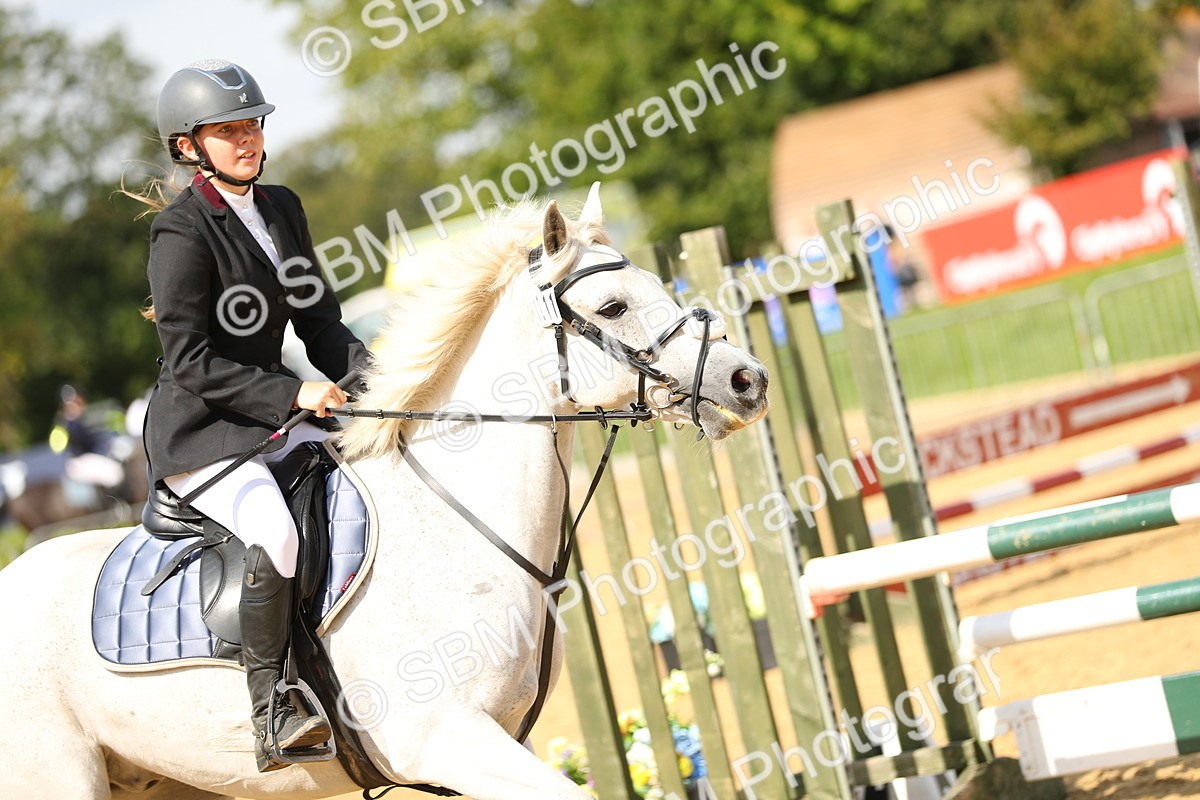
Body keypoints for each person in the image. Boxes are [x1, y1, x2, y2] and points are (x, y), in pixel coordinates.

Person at [141, 59, 371, 771]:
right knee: (274, 530)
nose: (247, 139)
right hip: (202, 430)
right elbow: (190, 362)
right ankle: (273, 707)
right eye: (228, 129)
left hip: (269, 417)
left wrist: (373, 377)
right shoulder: (182, 232)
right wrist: (291, 395)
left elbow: (321, 323)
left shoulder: (282, 207)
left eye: (253, 124)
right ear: (189, 146)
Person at [52, 384, 125, 491]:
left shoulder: (75, 422)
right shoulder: (70, 424)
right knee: (116, 474)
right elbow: (88, 443)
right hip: (80, 461)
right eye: (77, 402)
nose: (81, 405)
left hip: (81, 460)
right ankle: (119, 505)